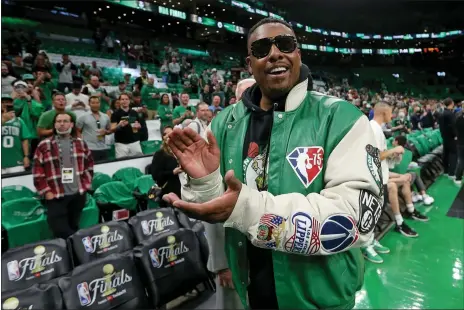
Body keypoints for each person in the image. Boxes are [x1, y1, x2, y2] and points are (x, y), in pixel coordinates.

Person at [164, 18, 383, 309]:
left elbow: (354, 220)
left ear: (298, 53)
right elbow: (222, 204)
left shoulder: (342, 118)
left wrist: (248, 209)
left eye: (285, 44)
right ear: (250, 62)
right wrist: (205, 183)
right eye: (262, 48)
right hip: (250, 291)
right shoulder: (224, 123)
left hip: (320, 297)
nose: (275, 53)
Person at [33, 112, 94, 239]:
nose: (62, 124)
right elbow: (37, 172)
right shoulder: (44, 145)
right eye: (59, 121)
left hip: (77, 195)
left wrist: (85, 186)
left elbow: (89, 166)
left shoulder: (81, 143)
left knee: (73, 226)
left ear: (71, 124)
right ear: (54, 124)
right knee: (61, 231)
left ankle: (73, 256)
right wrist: (47, 192)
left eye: (65, 121)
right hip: (56, 196)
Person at [391, 135, 435, 204]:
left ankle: (413, 194)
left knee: (410, 174)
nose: (392, 142)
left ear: (396, 142)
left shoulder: (390, 152)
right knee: (414, 173)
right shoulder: (409, 153)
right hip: (399, 179)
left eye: (393, 140)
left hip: (394, 179)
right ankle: (423, 195)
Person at [151, 126, 182, 208]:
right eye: (165, 134)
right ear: (162, 137)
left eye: (170, 133)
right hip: (169, 190)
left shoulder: (182, 150)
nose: (168, 136)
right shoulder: (159, 154)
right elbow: (155, 175)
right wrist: (172, 172)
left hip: (185, 189)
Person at [1, 96, 31, 174]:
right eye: (2, 102)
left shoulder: (19, 121)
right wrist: (3, 119)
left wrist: (26, 156)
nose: (5, 104)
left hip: (16, 161)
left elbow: (24, 140)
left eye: (7, 102)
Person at [76, 96, 111, 162]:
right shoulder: (82, 117)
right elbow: (77, 130)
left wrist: (105, 131)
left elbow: (109, 130)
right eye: (93, 103)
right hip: (89, 148)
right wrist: (81, 143)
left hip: (103, 147)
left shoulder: (106, 116)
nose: (95, 105)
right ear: (89, 104)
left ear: (100, 103)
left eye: (97, 103)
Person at [110, 93, 146, 158]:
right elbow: (112, 129)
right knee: (121, 164)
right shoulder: (115, 114)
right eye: (122, 99)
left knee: (138, 161)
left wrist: (138, 126)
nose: (124, 101)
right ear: (119, 101)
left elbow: (139, 125)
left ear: (129, 101)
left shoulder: (134, 112)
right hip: (121, 144)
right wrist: (119, 125)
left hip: (135, 143)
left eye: (126, 99)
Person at [438, 98, 457, 179]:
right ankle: (452, 173)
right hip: (451, 137)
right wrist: (456, 135)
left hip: (444, 136)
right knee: (453, 153)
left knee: (446, 153)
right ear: (451, 103)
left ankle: (446, 171)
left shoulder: (441, 113)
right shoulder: (450, 114)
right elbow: (453, 126)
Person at [455, 110, 464, 186]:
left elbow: (455, 130)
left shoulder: (458, 119)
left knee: (461, 161)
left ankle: (458, 178)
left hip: (460, 143)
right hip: (461, 142)